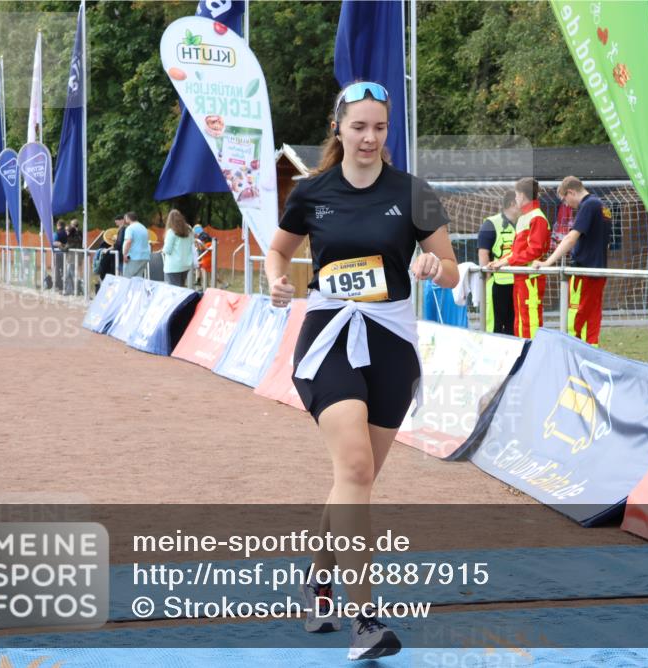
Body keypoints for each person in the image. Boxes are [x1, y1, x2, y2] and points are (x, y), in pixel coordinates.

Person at [264, 81, 456, 661]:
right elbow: (279, 249)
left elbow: (449, 267)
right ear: (338, 128)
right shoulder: (311, 192)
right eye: (359, 127)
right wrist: (277, 277)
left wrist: (432, 264)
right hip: (327, 341)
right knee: (353, 464)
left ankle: (318, 580)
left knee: (357, 480)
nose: (369, 138)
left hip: (392, 343)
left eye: (378, 128)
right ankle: (365, 619)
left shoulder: (414, 193)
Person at [534, 176, 613, 345]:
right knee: (591, 320)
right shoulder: (602, 206)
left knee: (576, 319)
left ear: (571, 192)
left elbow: (571, 238)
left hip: (584, 273)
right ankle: (590, 356)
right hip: (598, 272)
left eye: (565, 199)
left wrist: (548, 262)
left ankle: (574, 355)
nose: (566, 205)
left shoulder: (588, 205)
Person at [487, 177, 551, 338]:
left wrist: (506, 261)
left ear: (522, 195)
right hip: (522, 277)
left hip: (531, 278)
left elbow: (534, 251)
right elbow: (517, 250)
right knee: (520, 320)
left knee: (530, 320)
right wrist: (501, 262)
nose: (515, 199)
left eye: (516, 195)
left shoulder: (537, 217)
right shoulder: (526, 217)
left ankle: (533, 355)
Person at [476, 191, 518, 334]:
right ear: (512, 204)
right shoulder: (491, 223)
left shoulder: (523, 223)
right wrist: (487, 278)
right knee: (495, 327)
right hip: (497, 284)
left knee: (514, 327)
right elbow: (483, 253)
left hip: (518, 283)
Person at [162, 210, 194, 287]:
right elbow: (191, 243)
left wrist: (162, 250)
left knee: (173, 292)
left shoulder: (171, 232)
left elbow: (167, 250)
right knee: (180, 289)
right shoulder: (189, 230)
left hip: (173, 267)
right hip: (185, 265)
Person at [122, 211, 150, 278]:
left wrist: (125, 254)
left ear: (128, 218)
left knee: (127, 279)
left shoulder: (130, 228)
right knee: (138, 280)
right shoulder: (144, 228)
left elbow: (128, 241)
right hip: (144, 256)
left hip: (133, 257)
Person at [52, 219, 68, 291]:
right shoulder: (67, 233)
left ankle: (58, 285)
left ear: (58, 225)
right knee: (64, 269)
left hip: (58, 253)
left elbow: (54, 243)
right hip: (66, 253)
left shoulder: (56, 233)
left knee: (57, 269)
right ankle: (65, 285)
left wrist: (59, 244)